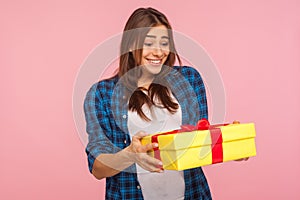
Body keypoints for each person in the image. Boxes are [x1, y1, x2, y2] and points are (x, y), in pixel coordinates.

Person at [84, 7, 212, 199]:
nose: (158, 52)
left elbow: (201, 142)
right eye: (149, 43)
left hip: (192, 193)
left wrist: (231, 144)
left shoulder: (189, 80)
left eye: (164, 43)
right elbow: (98, 168)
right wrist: (129, 155)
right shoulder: (102, 94)